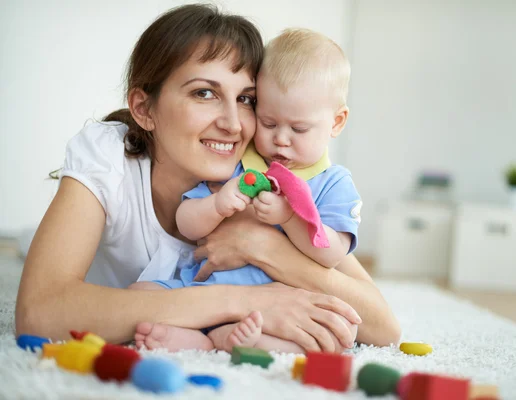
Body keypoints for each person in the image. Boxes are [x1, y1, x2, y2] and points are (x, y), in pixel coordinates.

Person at [14, 4, 401, 353]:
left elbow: (382, 324)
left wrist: (261, 245)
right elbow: (40, 313)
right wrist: (246, 300)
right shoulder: (108, 155)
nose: (232, 124)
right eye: (204, 93)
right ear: (143, 108)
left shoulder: (265, 176)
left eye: (247, 100)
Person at [130, 28, 361, 354]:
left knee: (338, 333)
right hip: (201, 292)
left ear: (336, 122)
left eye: (298, 129)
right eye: (268, 123)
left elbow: (332, 252)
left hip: (273, 307)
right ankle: (206, 335)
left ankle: (221, 341)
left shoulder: (333, 183)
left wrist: (289, 216)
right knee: (137, 294)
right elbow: (186, 223)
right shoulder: (239, 166)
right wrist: (217, 205)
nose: (281, 139)